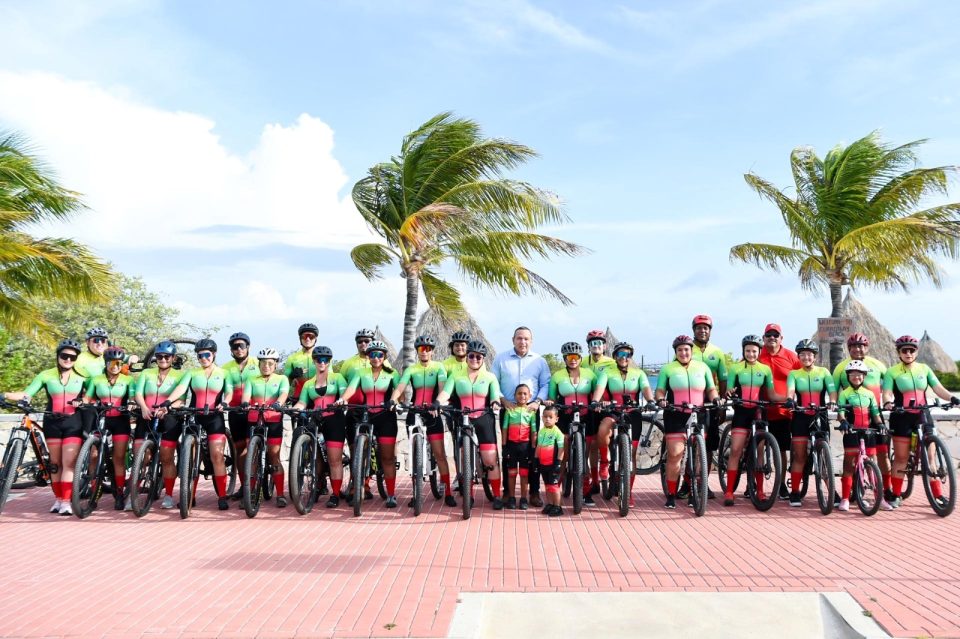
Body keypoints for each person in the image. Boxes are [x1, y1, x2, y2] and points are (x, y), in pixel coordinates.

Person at [3, 339, 87, 515]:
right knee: (55, 464)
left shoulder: (83, 377)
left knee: (68, 463)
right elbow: (27, 394)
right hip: (52, 422)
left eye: (73, 357)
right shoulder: (45, 375)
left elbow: (93, 396)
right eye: (65, 356)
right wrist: (4, 395)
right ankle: (58, 499)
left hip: (73, 422)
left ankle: (66, 501)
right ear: (58, 356)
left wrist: (85, 401)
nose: (68, 360)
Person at [882, 335, 960, 508]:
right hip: (901, 415)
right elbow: (886, 392)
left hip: (923, 415)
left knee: (931, 457)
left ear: (916, 352)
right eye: (904, 350)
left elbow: (938, 388)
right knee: (901, 458)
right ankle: (895, 494)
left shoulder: (924, 369)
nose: (908, 353)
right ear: (899, 353)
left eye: (911, 350)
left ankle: (938, 494)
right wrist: (888, 402)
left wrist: (953, 398)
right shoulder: (892, 372)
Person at [162, 339, 233, 511]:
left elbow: (229, 392)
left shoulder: (223, 373)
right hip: (195, 416)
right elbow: (181, 388)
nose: (203, 358)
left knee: (217, 455)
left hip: (214, 417)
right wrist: (168, 401)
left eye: (207, 354)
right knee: (192, 458)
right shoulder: (192, 373)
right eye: (200, 355)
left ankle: (222, 496)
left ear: (214, 354)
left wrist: (225, 403)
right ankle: (190, 497)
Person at [436, 340, 504, 509]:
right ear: (466, 357)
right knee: (465, 458)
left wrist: (495, 403)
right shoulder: (456, 376)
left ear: (483, 359)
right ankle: (469, 495)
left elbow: (495, 395)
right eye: (471, 356)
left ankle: (496, 495)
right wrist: (438, 402)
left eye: (478, 357)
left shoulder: (490, 377)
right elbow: (445, 392)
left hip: (483, 420)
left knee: (490, 460)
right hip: (463, 418)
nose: (474, 359)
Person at [391, 335, 456, 507]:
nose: (425, 351)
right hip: (415, 411)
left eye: (428, 348)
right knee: (414, 454)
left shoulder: (439, 367)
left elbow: (442, 387)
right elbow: (401, 386)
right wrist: (393, 400)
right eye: (421, 349)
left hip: (432, 412)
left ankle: (448, 491)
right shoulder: (411, 369)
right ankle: (416, 492)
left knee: (440, 454)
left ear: (432, 351)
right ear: (417, 351)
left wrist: (438, 404)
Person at [655, 335, 719, 509]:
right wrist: (661, 400)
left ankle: (694, 492)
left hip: (699, 414)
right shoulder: (668, 369)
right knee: (675, 454)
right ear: (676, 352)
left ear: (691, 350)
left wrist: (716, 399)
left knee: (698, 455)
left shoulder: (702, 367)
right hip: (676, 414)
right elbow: (659, 390)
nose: (684, 352)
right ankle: (671, 494)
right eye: (680, 350)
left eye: (686, 349)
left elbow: (711, 389)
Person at [491, 326, 551, 508]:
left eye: (526, 339)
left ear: (531, 341)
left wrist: (538, 401)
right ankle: (508, 493)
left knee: (532, 455)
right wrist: (502, 400)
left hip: (531, 412)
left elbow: (545, 383)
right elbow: (493, 381)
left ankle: (533, 493)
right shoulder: (501, 359)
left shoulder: (539, 361)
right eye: (519, 338)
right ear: (513, 339)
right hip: (508, 410)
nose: (522, 342)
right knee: (507, 455)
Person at [722, 335, 783, 506]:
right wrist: (729, 393)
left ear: (759, 351)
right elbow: (729, 390)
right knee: (735, 450)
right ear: (743, 351)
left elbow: (770, 394)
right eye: (748, 350)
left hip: (758, 411)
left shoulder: (765, 369)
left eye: (754, 351)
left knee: (760, 452)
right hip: (741, 411)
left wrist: (787, 398)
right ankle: (728, 491)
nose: (751, 353)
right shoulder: (736, 368)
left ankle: (761, 490)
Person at [338, 340, 401, 507]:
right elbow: (351, 388)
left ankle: (391, 494)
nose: (376, 358)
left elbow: (398, 391)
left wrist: (394, 401)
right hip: (367, 415)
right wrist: (343, 399)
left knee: (387, 458)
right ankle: (359, 487)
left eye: (380, 354)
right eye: (372, 354)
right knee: (360, 452)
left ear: (384, 356)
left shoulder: (392, 373)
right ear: (368, 356)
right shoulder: (361, 372)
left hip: (386, 416)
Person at [591, 341, 654, 507]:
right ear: (615, 356)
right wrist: (596, 401)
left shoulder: (638, 373)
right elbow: (599, 388)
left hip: (632, 413)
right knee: (604, 428)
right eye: (620, 354)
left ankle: (628, 493)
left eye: (627, 355)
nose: (624, 358)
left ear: (630, 357)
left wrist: (651, 400)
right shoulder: (607, 372)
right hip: (613, 410)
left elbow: (647, 389)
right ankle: (604, 462)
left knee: (631, 455)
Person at [833, 333, 891, 501]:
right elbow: (834, 394)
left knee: (882, 455)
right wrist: (840, 416)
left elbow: (888, 387)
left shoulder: (878, 365)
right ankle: (852, 491)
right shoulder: (840, 368)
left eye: (862, 346)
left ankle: (886, 491)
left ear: (867, 347)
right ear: (848, 348)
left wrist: (888, 402)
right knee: (852, 458)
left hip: (874, 414)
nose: (858, 349)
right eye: (854, 346)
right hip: (852, 416)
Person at [294, 345, 349, 508]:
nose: (322, 362)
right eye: (319, 359)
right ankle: (317, 486)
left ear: (329, 361)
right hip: (316, 420)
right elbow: (302, 402)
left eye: (325, 359)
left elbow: (345, 393)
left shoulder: (337, 377)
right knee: (316, 459)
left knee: (334, 460)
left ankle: (336, 494)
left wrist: (342, 400)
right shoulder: (308, 384)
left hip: (334, 420)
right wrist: (296, 408)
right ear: (314, 361)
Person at [133, 340, 186, 509]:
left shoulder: (180, 375)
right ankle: (132, 493)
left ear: (173, 358)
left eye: (166, 357)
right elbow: (138, 393)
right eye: (159, 356)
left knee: (166, 456)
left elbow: (182, 400)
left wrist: (168, 408)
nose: (163, 359)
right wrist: (143, 407)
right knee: (140, 456)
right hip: (147, 414)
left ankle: (169, 495)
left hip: (169, 417)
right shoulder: (147, 373)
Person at [783, 340, 837, 507]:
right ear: (798, 356)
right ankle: (795, 492)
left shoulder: (823, 372)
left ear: (814, 357)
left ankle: (832, 491)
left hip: (820, 415)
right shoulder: (794, 374)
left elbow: (832, 391)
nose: (806, 357)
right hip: (800, 416)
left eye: (809, 354)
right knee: (799, 456)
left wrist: (833, 402)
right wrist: (790, 400)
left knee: (823, 457)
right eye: (802, 354)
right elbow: (790, 390)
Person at [81, 346, 135, 511]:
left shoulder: (128, 380)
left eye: (118, 363)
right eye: (111, 363)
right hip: (101, 419)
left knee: (118, 458)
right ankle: (93, 490)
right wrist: (83, 402)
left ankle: (119, 493)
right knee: (94, 455)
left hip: (120, 420)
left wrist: (132, 403)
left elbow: (132, 396)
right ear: (106, 363)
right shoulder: (97, 380)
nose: (115, 366)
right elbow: (88, 397)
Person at [546, 342, 598, 502]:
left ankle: (586, 492)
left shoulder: (590, 375)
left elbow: (598, 394)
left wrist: (599, 403)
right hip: (565, 416)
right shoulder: (558, 376)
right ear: (565, 358)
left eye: (576, 357)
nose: (573, 360)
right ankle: (555, 492)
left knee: (584, 455)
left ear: (581, 358)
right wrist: (549, 402)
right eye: (569, 357)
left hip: (586, 417)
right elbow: (552, 397)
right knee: (563, 455)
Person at [242, 347, 290, 508]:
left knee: (274, 456)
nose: (266, 366)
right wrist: (244, 403)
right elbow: (246, 396)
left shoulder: (282, 378)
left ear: (275, 364)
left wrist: (278, 404)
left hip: (274, 418)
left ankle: (281, 494)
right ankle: (251, 493)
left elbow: (283, 394)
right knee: (252, 457)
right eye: (263, 363)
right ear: (259, 364)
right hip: (254, 418)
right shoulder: (252, 379)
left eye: (270, 363)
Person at [757, 323, 801, 500]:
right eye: (768, 335)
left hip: (784, 412)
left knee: (782, 450)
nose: (772, 338)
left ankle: (781, 483)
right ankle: (755, 484)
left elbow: (802, 379)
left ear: (781, 338)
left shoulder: (791, 357)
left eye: (776, 335)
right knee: (757, 448)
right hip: (761, 410)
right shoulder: (757, 356)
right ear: (764, 338)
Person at [836, 360, 885, 512]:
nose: (856, 377)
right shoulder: (844, 394)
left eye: (859, 374)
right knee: (849, 465)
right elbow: (841, 413)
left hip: (868, 432)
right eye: (853, 374)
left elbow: (875, 413)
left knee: (873, 464)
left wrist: (880, 424)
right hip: (851, 432)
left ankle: (880, 498)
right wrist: (843, 421)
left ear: (864, 376)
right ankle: (845, 498)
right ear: (848, 376)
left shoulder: (869, 394)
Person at [690, 314, 728, 494]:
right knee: (690, 443)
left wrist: (722, 404)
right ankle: (686, 483)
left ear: (710, 331)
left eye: (706, 328)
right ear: (694, 330)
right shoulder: (687, 349)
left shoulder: (717, 352)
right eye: (699, 328)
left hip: (711, 404)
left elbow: (723, 379)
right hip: (690, 402)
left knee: (709, 445)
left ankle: (703, 483)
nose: (702, 330)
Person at [223, 332, 258, 499]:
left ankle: (254, 484)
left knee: (252, 446)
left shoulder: (259, 363)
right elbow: (226, 390)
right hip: (235, 411)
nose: (238, 349)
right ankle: (244, 485)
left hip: (254, 410)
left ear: (248, 347)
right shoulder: (225, 368)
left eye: (241, 346)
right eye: (234, 346)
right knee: (239, 449)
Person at [581, 329, 616, 492]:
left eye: (599, 343)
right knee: (591, 445)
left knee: (604, 438)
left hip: (606, 405)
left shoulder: (611, 362)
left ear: (605, 345)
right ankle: (594, 482)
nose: (596, 346)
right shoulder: (582, 362)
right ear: (588, 347)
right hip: (588, 407)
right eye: (592, 343)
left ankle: (606, 464)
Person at [501, 384, 537, 509]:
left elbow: (534, 431)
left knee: (524, 474)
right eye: (519, 393)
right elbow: (504, 429)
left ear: (530, 396)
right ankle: (511, 498)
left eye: (525, 393)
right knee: (511, 473)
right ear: (515, 396)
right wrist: (504, 446)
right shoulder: (509, 410)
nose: (522, 396)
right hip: (512, 446)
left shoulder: (531, 412)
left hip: (525, 447)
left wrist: (533, 448)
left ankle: (523, 498)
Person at [536, 406, 565, 516]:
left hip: (553, 464)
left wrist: (558, 463)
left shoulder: (557, 432)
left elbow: (561, 449)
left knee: (554, 486)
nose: (547, 419)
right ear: (542, 418)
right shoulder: (541, 431)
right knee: (547, 485)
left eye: (550, 417)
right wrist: (536, 460)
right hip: (543, 464)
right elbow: (539, 447)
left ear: (556, 419)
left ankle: (558, 506)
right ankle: (550, 504)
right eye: (545, 417)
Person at [284, 323, 319, 403]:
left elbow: (331, 378)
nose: (307, 339)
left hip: (318, 395)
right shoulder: (292, 358)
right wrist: (292, 376)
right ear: (300, 338)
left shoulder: (323, 357)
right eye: (304, 336)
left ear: (315, 339)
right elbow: (285, 383)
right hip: (299, 396)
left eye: (311, 336)